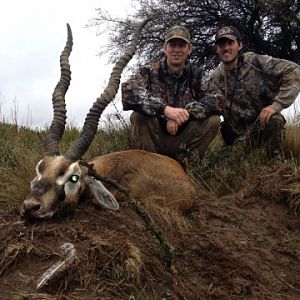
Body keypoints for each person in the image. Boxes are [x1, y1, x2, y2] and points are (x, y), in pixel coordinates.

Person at [121, 25, 221, 163]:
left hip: (183, 137)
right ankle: (149, 167)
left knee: (214, 121)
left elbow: (217, 99)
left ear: (189, 49)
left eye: (182, 45)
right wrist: (165, 110)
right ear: (165, 48)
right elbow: (128, 91)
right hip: (156, 137)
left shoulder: (198, 74)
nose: (177, 50)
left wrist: (185, 113)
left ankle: (188, 169)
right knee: (138, 117)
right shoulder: (148, 71)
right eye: (173, 45)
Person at [207, 26, 300, 157]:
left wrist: (276, 105)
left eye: (230, 43)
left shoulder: (256, 62)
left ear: (239, 45)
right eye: (221, 44)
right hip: (236, 140)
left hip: (261, 126)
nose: (226, 48)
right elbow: (207, 104)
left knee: (275, 119)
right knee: (216, 169)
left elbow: (294, 70)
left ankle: (273, 162)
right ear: (217, 49)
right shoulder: (215, 78)